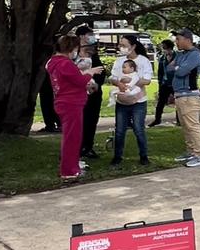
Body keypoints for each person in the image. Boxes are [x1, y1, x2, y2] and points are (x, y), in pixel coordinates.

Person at [47, 36, 100, 181]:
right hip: (71, 103)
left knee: (71, 137)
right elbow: (79, 80)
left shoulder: (52, 62)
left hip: (63, 102)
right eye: (76, 48)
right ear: (71, 49)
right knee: (72, 138)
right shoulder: (66, 64)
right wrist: (90, 72)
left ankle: (71, 168)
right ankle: (69, 171)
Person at [109, 36, 153, 166]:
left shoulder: (143, 61)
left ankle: (144, 156)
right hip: (122, 101)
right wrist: (119, 83)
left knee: (139, 129)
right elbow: (113, 77)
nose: (120, 47)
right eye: (120, 45)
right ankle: (117, 156)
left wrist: (132, 81)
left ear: (133, 46)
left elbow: (147, 80)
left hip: (138, 101)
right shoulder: (119, 61)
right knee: (120, 130)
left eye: (123, 45)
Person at [168, 29, 200, 168]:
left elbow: (181, 72)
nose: (176, 42)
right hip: (180, 95)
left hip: (189, 95)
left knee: (192, 125)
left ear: (187, 40)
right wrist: (177, 67)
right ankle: (191, 151)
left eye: (178, 39)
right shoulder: (180, 55)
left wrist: (177, 67)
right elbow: (169, 68)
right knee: (185, 126)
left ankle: (199, 154)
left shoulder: (195, 55)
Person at [73, 27, 106, 160]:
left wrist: (97, 83)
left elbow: (100, 70)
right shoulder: (72, 52)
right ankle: (76, 148)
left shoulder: (93, 52)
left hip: (93, 92)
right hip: (77, 91)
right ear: (81, 36)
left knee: (91, 120)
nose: (92, 37)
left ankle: (88, 146)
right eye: (89, 34)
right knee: (77, 121)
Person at [150, 39, 177, 127]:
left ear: (169, 47)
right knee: (161, 102)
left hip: (175, 83)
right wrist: (160, 82)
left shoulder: (177, 56)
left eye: (164, 47)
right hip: (165, 83)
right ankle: (157, 119)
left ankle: (179, 119)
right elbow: (160, 72)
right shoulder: (162, 58)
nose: (163, 49)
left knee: (178, 102)